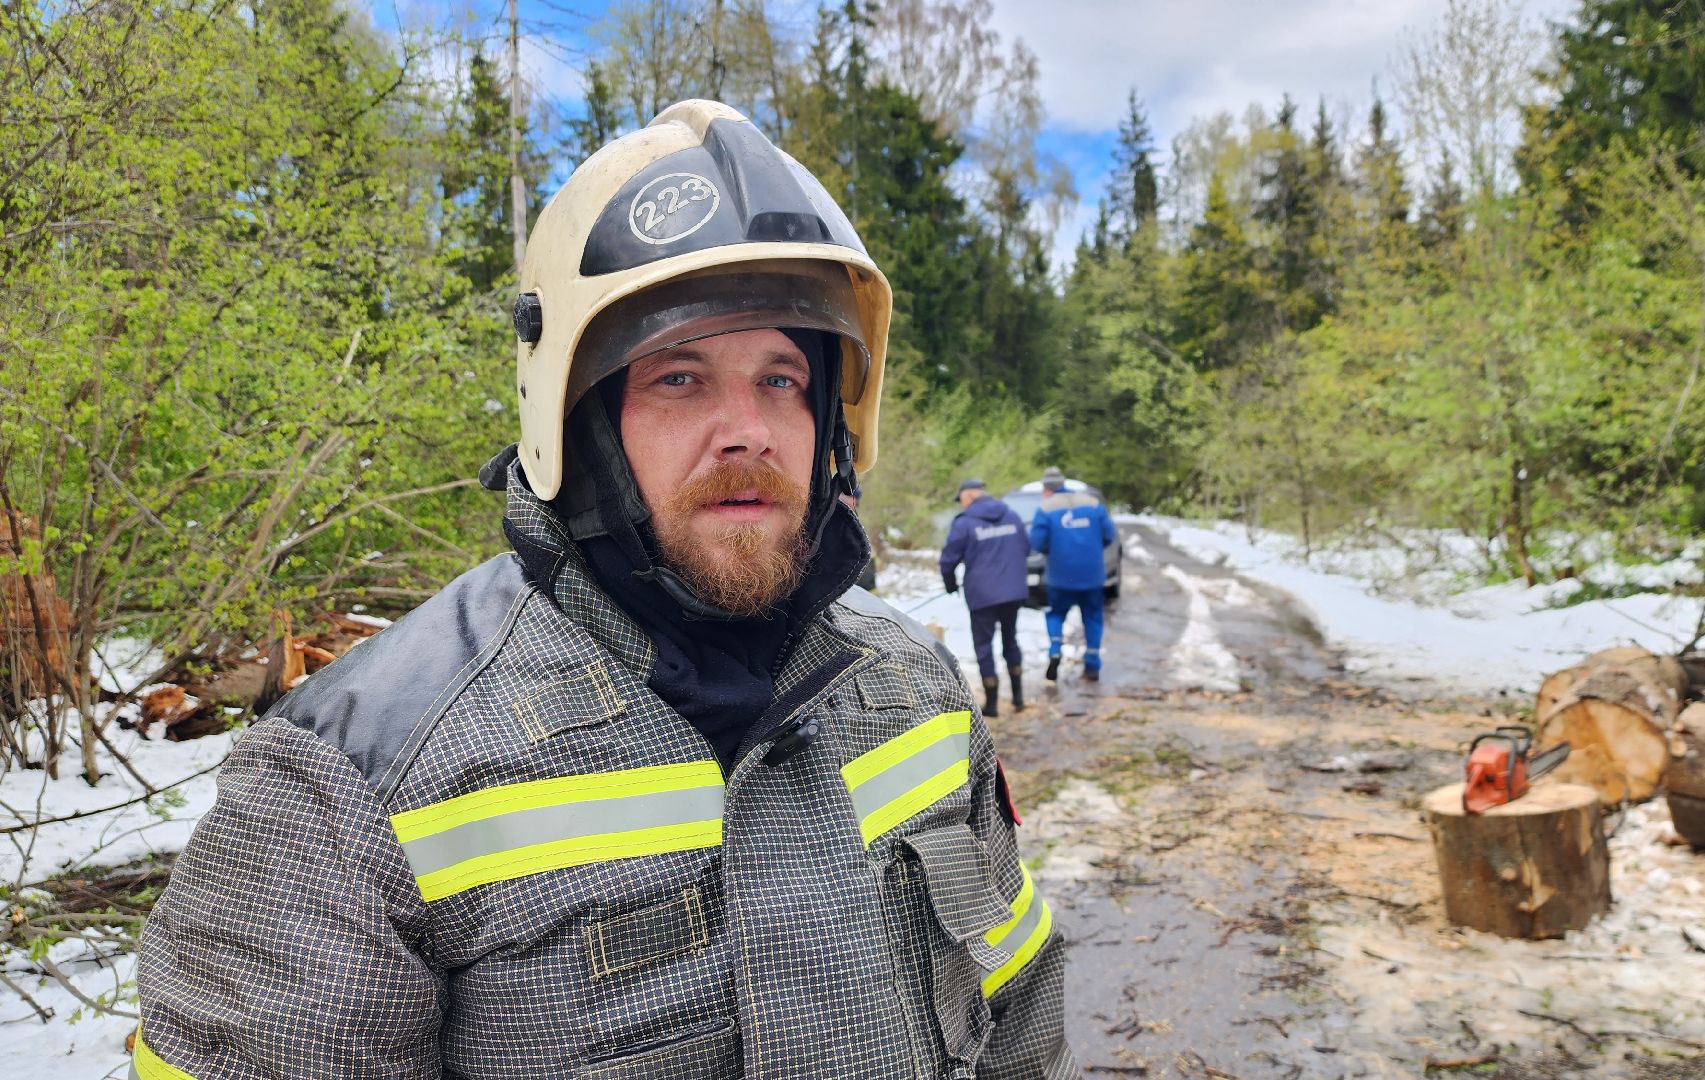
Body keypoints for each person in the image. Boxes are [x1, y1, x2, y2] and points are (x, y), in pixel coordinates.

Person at [131, 100, 1073, 1080]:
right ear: (574, 421)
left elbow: (1016, 1001)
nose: (747, 430)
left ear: (832, 421)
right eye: (678, 378)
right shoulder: (355, 782)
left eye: (783, 379)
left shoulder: (911, 684)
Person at [939, 477, 1031, 717]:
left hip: (982, 595)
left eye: (961, 500)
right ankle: (1018, 696)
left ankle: (991, 704)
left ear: (968, 496)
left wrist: (950, 584)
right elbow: (1026, 549)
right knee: (1011, 641)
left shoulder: (965, 523)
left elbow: (948, 559)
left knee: (984, 647)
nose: (962, 505)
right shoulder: (1011, 516)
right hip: (1012, 593)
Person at [1029, 466, 1116, 682]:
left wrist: (1056, 551)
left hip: (1060, 576)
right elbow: (1109, 535)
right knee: (1093, 617)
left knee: (1056, 614)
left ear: (1046, 489)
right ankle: (1093, 665)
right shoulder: (1092, 504)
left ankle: (1055, 650)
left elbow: (1037, 543)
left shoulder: (1046, 508)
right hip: (1092, 576)